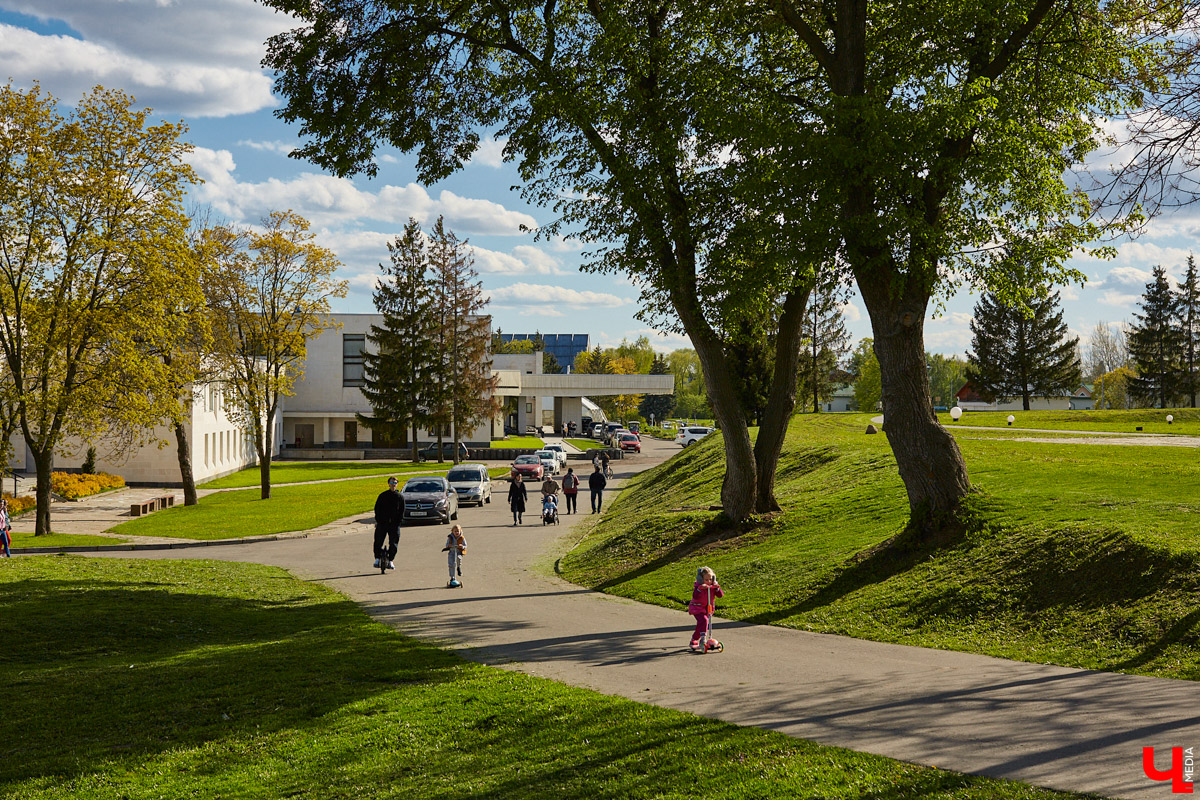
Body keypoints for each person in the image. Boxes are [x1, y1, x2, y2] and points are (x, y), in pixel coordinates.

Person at [687, 566, 725, 652]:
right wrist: (700, 589)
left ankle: (694, 639)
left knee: (701, 625)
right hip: (697, 608)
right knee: (704, 621)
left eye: (710, 579)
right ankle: (703, 639)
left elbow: (720, 595)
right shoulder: (698, 587)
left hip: (708, 609)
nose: (708, 582)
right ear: (701, 580)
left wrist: (717, 588)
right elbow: (695, 596)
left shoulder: (712, 586)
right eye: (706, 580)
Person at [373, 477, 403, 570]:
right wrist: (379, 520)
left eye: (395, 483)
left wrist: (398, 522)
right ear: (388, 484)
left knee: (394, 543)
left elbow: (402, 511)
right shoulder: (383, 496)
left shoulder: (400, 497)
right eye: (392, 482)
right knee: (378, 541)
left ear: (397, 484)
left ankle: (390, 560)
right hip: (383, 523)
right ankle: (377, 559)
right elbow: (377, 508)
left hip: (394, 524)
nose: (393, 484)